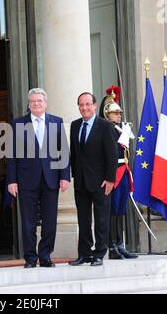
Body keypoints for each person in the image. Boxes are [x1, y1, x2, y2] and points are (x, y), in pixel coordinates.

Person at [7, 88, 70, 268]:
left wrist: (65, 176)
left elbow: (63, 151)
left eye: (39, 101)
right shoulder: (17, 124)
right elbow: (12, 155)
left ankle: (45, 256)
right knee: (28, 222)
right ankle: (30, 258)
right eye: (33, 101)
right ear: (28, 104)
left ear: (45, 103)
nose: (36, 104)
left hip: (51, 178)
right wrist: (12, 180)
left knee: (50, 222)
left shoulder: (56, 122)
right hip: (26, 179)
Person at [68, 92, 118, 267]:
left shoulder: (105, 126)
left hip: (101, 182)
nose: (84, 108)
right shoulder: (75, 126)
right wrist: (73, 175)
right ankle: (85, 253)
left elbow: (112, 155)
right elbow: (74, 154)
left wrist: (110, 179)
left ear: (95, 105)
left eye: (88, 104)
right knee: (83, 219)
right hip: (81, 181)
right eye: (81, 105)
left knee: (101, 219)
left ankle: (99, 253)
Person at [99, 87, 138, 259]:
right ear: (107, 114)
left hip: (124, 170)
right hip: (113, 172)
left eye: (119, 113)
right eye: (116, 113)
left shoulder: (120, 129)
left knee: (121, 209)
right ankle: (111, 245)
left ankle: (120, 243)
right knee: (112, 210)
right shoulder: (106, 129)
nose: (119, 115)